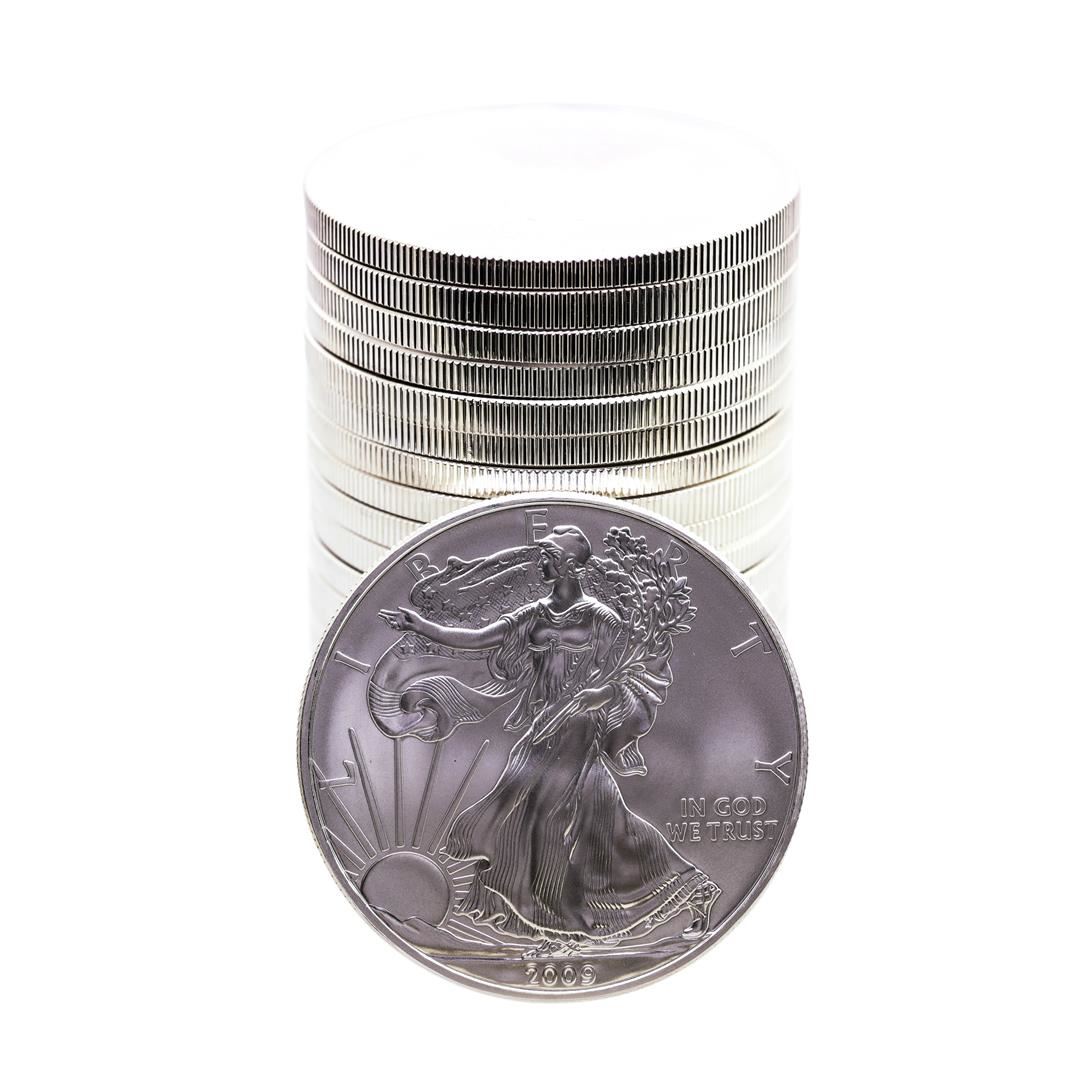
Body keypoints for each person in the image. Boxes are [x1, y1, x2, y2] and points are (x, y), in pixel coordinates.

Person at [379, 525, 718, 954]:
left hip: (579, 727)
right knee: (594, 820)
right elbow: (480, 640)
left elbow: (631, 674)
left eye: (548, 556)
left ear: (569, 565)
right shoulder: (534, 614)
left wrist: (600, 695)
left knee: (546, 821)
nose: (540, 562)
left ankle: (566, 927)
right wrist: (423, 626)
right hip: (543, 725)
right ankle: (690, 889)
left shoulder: (602, 619)